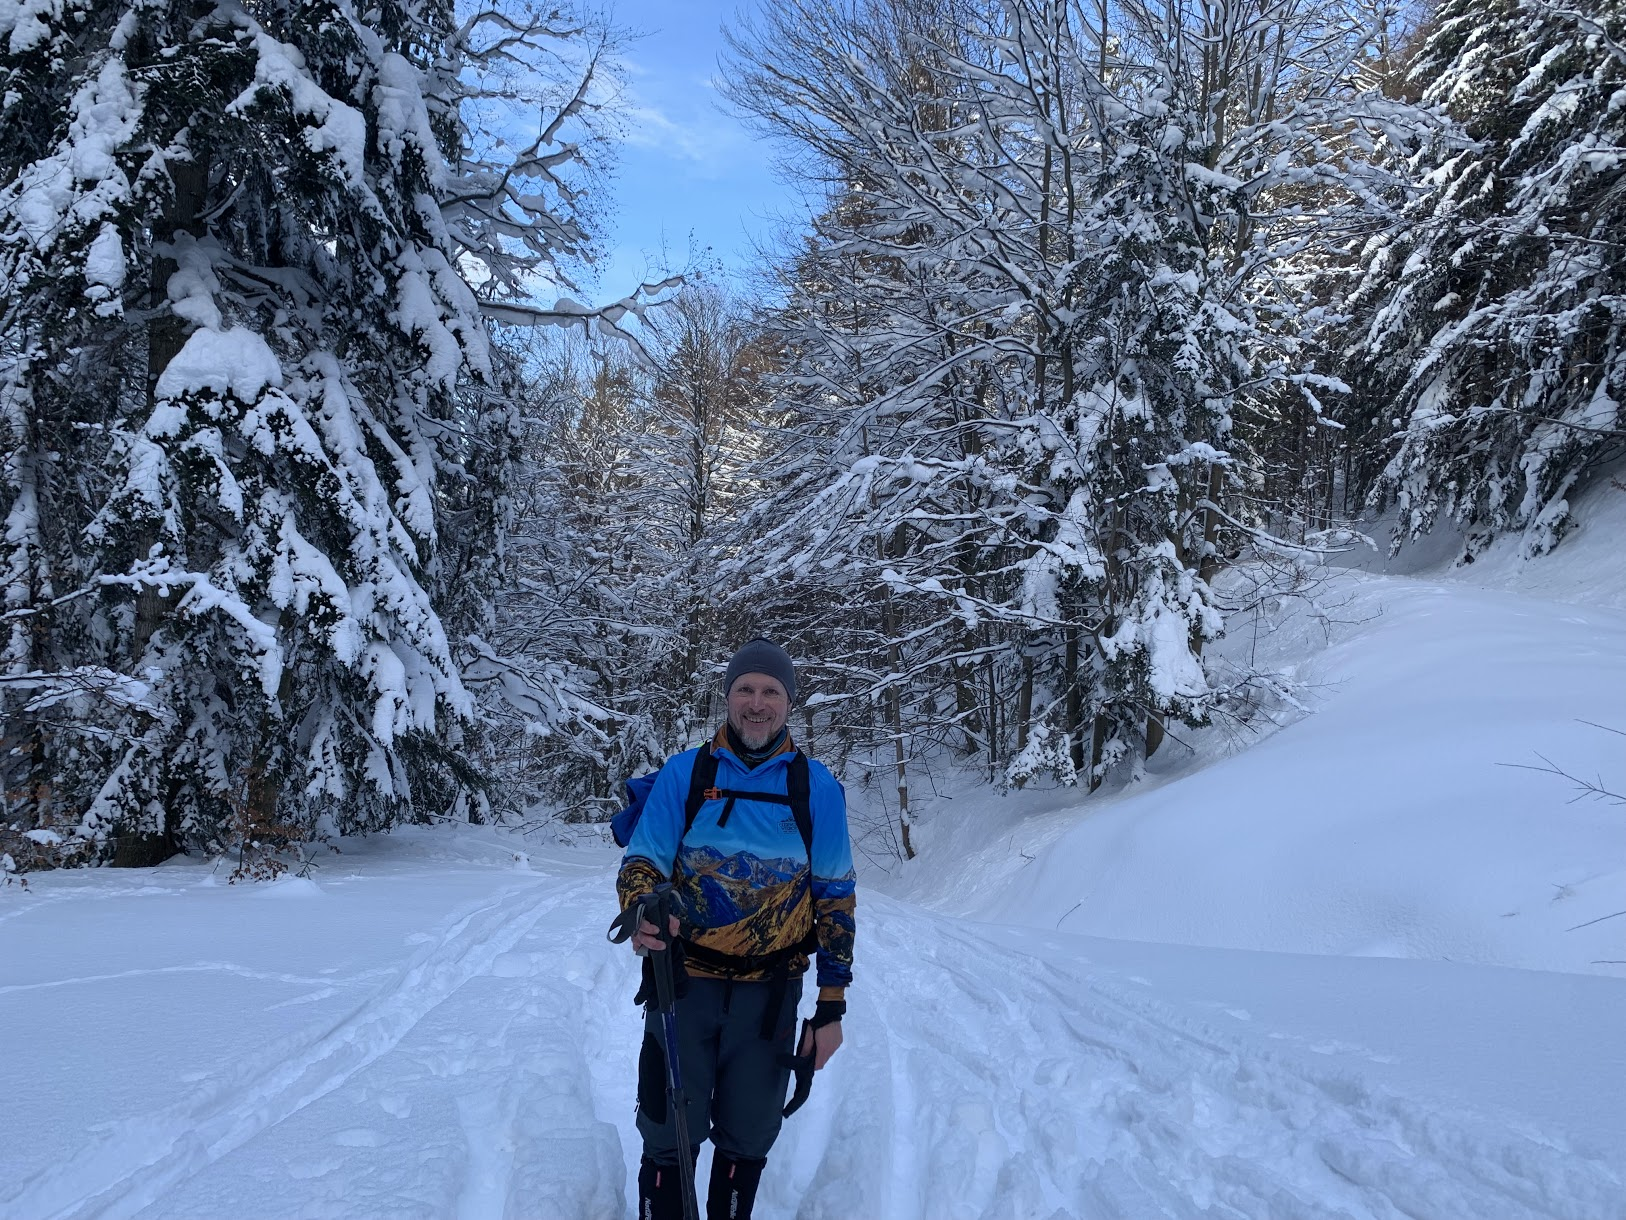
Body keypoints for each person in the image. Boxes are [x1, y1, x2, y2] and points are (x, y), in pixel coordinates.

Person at [617, 638, 856, 1220]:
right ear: (727, 697)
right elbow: (642, 861)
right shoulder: (687, 774)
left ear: (789, 702)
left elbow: (836, 898)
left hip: (770, 996)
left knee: (749, 1133)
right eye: (744, 689)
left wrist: (830, 1008)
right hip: (683, 985)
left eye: (770, 691)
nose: (756, 703)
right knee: (668, 1126)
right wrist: (643, 907)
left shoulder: (815, 788)